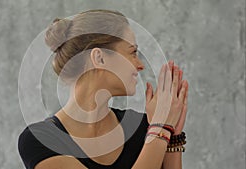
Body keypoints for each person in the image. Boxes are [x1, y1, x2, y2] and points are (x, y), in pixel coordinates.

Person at [18, 9, 189, 169]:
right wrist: (160, 131)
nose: (140, 65)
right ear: (99, 58)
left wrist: (173, 136)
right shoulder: (40, 140)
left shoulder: (146, 128)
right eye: (133, 52)